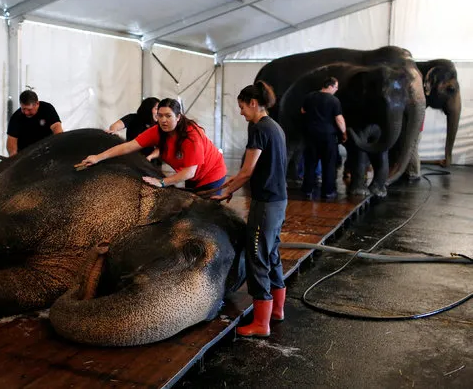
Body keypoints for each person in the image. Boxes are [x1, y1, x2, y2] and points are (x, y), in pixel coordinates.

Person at [212, 82, 288, 338]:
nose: (241, 112)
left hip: (265, 204)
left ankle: (261, 324)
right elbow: (249, 171)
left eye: (242, 107)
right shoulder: (275, 127)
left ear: (253, 103)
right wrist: (230, 184)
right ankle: (276, 310)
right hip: (279, 201)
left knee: (257, 258)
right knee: (272, 254)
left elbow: (247, 170)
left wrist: (226, 191)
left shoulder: (258, 129)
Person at [76, 98, 226, 193]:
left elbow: (189, 172)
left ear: (178, 117)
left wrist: (162, 182)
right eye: (160, 116)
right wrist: (98, 157)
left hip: (211, 174)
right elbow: (128, 146)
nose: (163, 120)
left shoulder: (192, 135)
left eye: (168, 116)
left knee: (206, 215)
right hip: (193, 176)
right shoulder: (156, 131)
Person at [300, 77, 347, 199]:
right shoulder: (334, 100)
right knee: (329, 164)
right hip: (328, 136)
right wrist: (344, 132)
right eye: (336, 87)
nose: (336, 90)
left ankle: (307, 190)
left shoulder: (309, 96)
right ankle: (328, 191)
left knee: (310, 164)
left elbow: (302, 111)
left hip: (310, 135)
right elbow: (339, 119)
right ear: (330, 86)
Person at [6, 90, 63, 156]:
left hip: (47, 150)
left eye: (29, 109)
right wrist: (13, 157)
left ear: (37, 104)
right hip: (25, 155)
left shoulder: (47, 109)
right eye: (23, 109)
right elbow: (11, 140)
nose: (26, 112)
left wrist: (60, 145)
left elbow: (56, 127)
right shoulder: (16, 117)